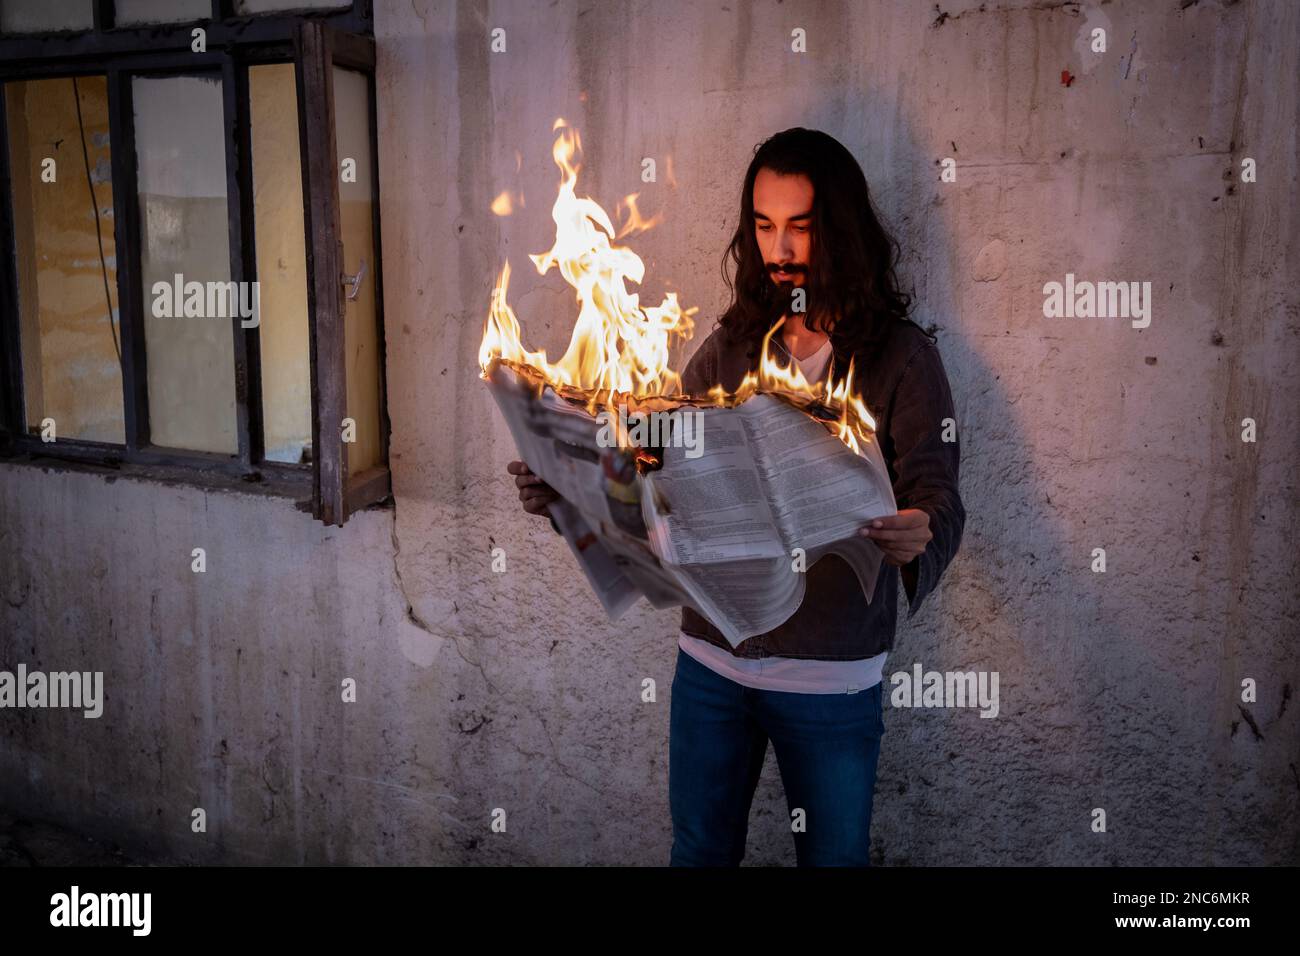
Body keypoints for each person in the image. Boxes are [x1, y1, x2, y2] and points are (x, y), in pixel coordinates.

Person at [507, 127, 964, 866]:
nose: (779, 250)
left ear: (840, 230)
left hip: (831, 679)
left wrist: (920, 529)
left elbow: (938, 496)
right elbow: (654, 480)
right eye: (763, 225)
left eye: (799, 227)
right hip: (712, 665)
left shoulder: (902, 358)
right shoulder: (728, 348)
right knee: (698, 853)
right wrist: (569, 490)